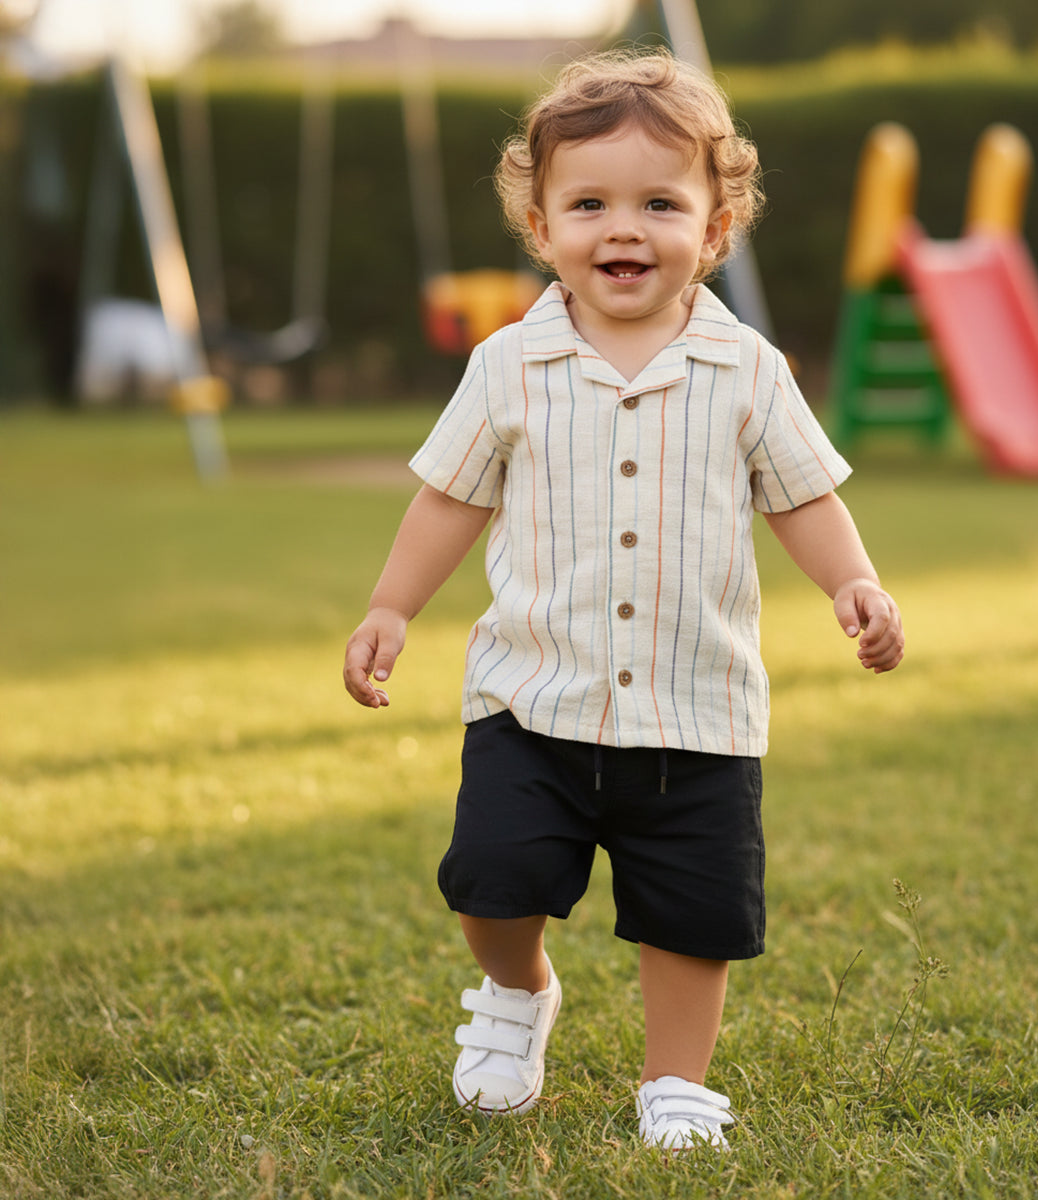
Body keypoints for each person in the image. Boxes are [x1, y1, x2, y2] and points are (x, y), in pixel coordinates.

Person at [343, 48, 904, 1151]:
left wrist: (854, 580)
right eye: (589, 203)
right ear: (542, 227)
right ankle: (517, 994)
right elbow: (448, 499)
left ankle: (676, 1084)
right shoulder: (509, 366)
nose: (624, 229)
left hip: (697, 711)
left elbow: (802, 498)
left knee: (692, 914)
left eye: (660, 202)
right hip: (532, 699)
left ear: (716, 225)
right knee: (492, 876)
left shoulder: (748, 370)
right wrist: (392, 607)